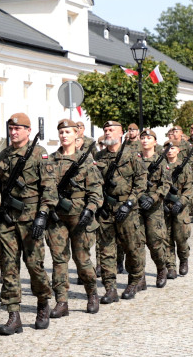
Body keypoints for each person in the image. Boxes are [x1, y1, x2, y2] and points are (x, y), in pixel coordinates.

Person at [0, 113, 55, 334]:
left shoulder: (40, 154)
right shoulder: (3, 155)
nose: (14, 132)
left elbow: (49, 188)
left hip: (31, 218)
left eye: (19, 128)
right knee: (8, 267)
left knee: (34, 265)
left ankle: (42, 304)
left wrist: (43, 214)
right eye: (11, 128)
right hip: (9, 219)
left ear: (28, 131)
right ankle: (13, 315)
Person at [46, 119, 103, 316]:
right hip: (57, 218)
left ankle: (92, 293)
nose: (64, 135)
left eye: (67, 132)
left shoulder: (86, 161)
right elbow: (44, 189)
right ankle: (61, 301)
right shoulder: (50, 160)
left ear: (75, 136)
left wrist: (90, 209)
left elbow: (96, 191)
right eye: (61, 132)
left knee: (82, 260)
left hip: (80, 217)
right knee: (58, 260)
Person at [96, 121, 147, 301]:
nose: (108, 133)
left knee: (132, 248)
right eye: (106, 130)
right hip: (106, 210)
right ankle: (110, 288)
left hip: (127, 209)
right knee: (106, 250)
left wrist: (129, 204)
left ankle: (134, 281)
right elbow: (95, 184)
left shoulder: (132, 155)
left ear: (121, 133)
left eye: (112, 130)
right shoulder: (99, 156)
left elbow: (141, 183)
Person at [134, 129, 172, 288]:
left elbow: (166, 185)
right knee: (137, 243)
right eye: (142, 138)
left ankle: (161, 268)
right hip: (137, 205)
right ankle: (140, 276)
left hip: (154, 208)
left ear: (155, 142)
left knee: (156, 243)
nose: (145, 140)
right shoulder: (135, 159)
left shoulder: (161, 161)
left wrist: (153, 198)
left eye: (149, 138)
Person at [163, 142, 193, 277]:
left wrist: (180, 202)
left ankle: (183, 259)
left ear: (178, 150)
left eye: (172, 148)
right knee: (166, 238)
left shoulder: (184, 167)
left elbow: (190, 188)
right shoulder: (161, 166)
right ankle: (170, 267)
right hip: (164, 207)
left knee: (180, 237)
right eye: (167, 148)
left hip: (180, 208)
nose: (169, 151)